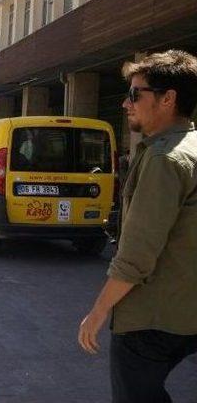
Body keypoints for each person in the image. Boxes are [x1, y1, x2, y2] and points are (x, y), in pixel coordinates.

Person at [78, 50, 197, 403]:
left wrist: (98, 312)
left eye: (135, 94)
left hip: (150, 320)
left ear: (168, 98)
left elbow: (137, 255)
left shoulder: (164, 159)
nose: (126, 104)